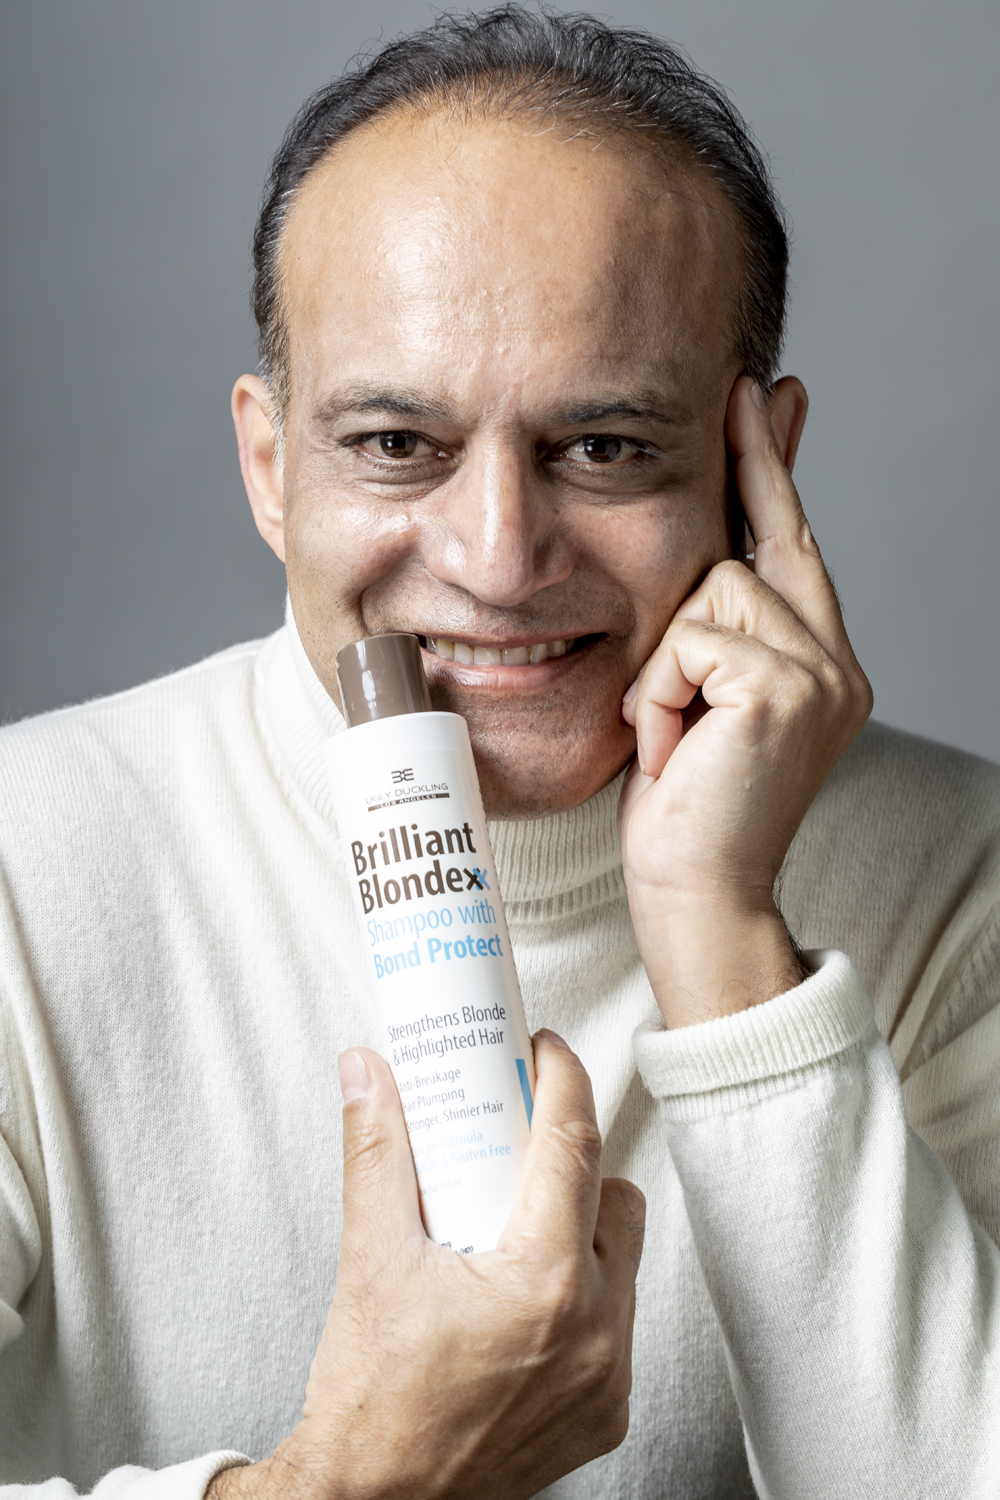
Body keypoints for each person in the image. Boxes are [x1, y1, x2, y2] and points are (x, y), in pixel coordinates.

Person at [1, 7, 998, 1496]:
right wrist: (347, 1483)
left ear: (758, 466)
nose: (496, 558)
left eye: (602, 447)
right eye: (396, 446)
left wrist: (724, 944)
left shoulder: (959, 885)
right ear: (271, 469)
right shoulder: (25, 856)